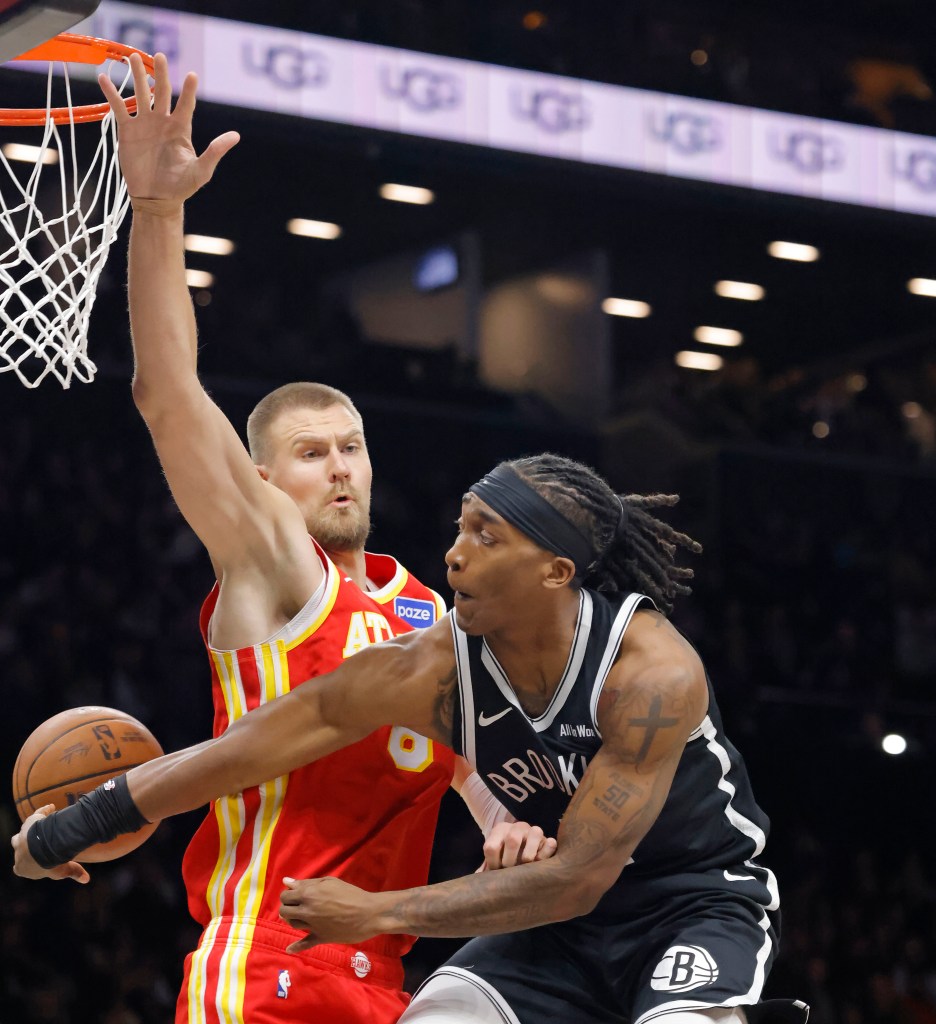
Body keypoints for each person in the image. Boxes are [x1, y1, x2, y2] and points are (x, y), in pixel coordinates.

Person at [84, 54, 554, 1024]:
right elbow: (167, 395)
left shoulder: (423, 607)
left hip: (380, 972)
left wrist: (501, 817)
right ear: (263, 482)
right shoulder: (273, 565)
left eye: (352, 447)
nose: (340, 467)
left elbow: (455, 745)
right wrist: (160, 212)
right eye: (311, 453)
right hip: (265, 966)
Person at [15, 450, 806, 1024]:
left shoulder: (649, 675)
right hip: (554, 927)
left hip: (691, 904)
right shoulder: (430, 668)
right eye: (461, 527)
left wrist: (376, 912)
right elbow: (244, 748)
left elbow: (576, 878)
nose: (453, 556)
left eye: (487, 537)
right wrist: (72, 827)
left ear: (555, 572)